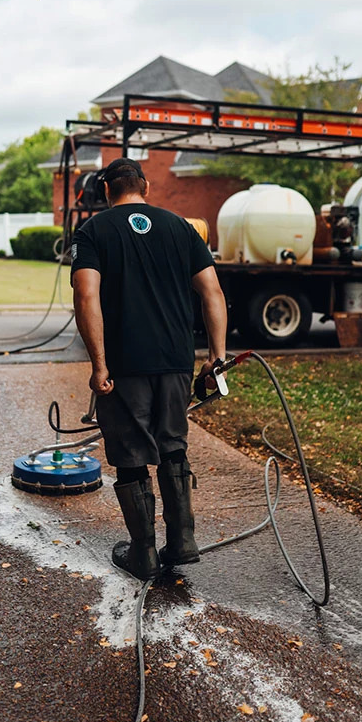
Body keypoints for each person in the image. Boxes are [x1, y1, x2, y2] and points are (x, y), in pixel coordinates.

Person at [71, 157, 229, 580]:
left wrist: (99, 364)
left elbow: (87, 296)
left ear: (106, 191)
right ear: (145, 186)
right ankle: (182, 541)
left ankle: (143, 553)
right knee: (173, 445)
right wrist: (217, 356)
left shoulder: (94, 231)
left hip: (125, 365)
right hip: (176, 360)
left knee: (132, 454)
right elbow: (213, 292)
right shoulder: (181, 227)